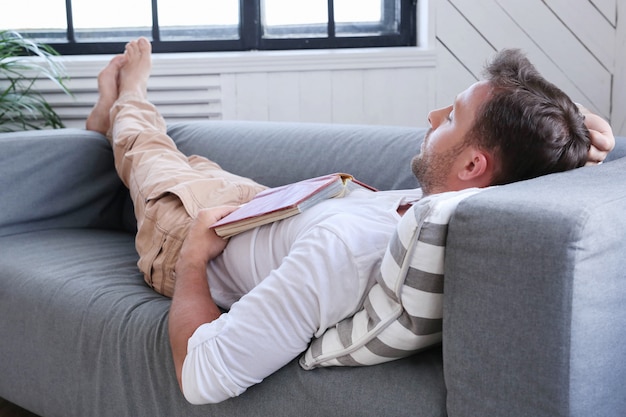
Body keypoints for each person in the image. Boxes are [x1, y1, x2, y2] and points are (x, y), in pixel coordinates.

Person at [86, 38, 615, 404]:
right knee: (187, 161)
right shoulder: (466, 200)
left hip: (191, 234)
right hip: (266, 206)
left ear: (473, 166)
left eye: (451, 117)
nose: (432, 118)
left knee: (148, 151)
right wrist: (577, 138)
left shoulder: (344, 253)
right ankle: (108, 127)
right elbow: (556, 145)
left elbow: (201, 377)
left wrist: (196, 260)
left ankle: (123, 103)